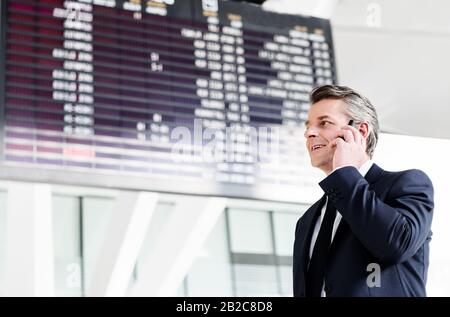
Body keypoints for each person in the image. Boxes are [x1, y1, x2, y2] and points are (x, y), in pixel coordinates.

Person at [293, 85, 434, 297]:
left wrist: (345, 172)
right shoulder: (307, 220)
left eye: (324, 123)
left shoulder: (408, 184)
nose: (309, 133)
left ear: (360, 131)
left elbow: (396, 245)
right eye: (309, 126)